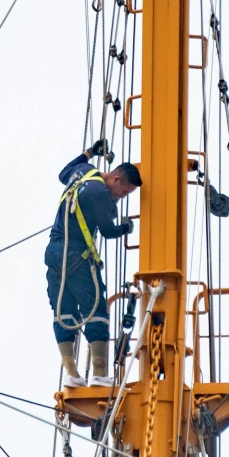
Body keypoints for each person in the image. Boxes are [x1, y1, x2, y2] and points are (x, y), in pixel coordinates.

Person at [46, 147, 139, 381]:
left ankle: (71, 373)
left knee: (63, 310)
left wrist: (90, 152)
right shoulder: (99, 193)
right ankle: (99, 372)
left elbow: (63, 174)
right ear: (116, 179)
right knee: (95, 308)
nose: (120, 196)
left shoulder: (84, 172)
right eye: (124, 192)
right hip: (77, 254)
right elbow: (108, 230)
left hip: (55, 251)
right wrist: (126, 228)